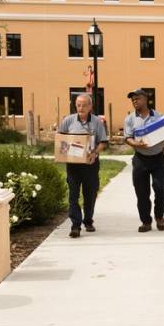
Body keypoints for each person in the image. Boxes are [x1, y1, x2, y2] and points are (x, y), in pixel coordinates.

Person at [123, 88, 164, 233]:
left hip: (157, 159)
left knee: (160, 189)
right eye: (132, 99)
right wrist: (136, 144)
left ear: (146, 99)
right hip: (140, 160)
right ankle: (146, 222)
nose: (134, 101)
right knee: (142, 194)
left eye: (137, 98)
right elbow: (127, 138)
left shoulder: (158, 117)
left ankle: (159, 216)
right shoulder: (130, 118)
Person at [57, 93, 108, 238]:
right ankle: (75, 225)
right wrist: (63, 153)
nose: (81, 107)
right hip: (73, 165)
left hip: (91, 164)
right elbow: (60, 140)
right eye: (78, 105)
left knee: (90, 195)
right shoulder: (68, 121)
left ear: (90, 106)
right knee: (73, 195)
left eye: (84, 105)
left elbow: (103, 142)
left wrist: (94, 153)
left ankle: (88, 220)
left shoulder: (97, 122)